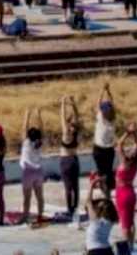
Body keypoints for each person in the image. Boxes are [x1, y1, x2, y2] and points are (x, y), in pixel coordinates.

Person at [114, 123, 137, 249]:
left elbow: (119, 144)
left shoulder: (124, 162)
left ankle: (127, 248)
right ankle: (132, 244)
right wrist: (134, 133)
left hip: (122, 193)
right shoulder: (135, 164)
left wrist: (127, 133)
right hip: (131, 192)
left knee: (125, 225)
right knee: (131, 221)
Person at [20, 108, 45, 225]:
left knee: (27, 198)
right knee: (40, 196)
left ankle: (25, 216)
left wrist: (27, 115)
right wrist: (39, 115)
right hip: (38, 171)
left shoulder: (26, 143)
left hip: (28, 172)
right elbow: (42, 130)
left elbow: (24, 128)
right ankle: (40, 216)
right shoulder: (40, 143)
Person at [60, 96, 82, 225]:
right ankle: (75, 208)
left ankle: (70, 209)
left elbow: (62, 118)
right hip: (75, 159)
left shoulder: (66, 133)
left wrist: (63, 103)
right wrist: (73, 104)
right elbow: (77, 117)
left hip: (66, 161)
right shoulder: (75, 133)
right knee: (76, 186)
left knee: (68, 188)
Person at [84, 177, 117, 255]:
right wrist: (104, 186)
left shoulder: (95, 220)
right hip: (107, 250)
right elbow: (108, 202)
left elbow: (88, 201)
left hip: (95, 251)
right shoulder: (110, 220)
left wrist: (92, 185)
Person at [94, 83, 118, 190]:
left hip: (99, 149)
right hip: (108, 149)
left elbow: (98, 103)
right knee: (108, 170)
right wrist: (108, 92)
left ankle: (103, 188)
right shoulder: (113, 121)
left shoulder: (100, 118)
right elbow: (112, 104)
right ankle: (108, 187)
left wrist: (102, 90)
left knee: (100, 171)